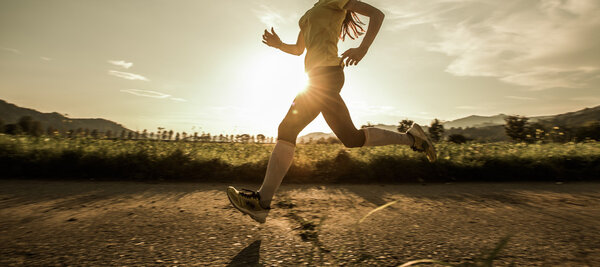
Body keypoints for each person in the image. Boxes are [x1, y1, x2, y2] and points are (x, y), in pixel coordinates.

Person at [227, 0, 436, 223]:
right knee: (351, 138)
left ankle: (262, 202)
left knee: (287, 128)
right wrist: (279, 45)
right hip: (315, 77)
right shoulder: (307, 15)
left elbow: (377, 14)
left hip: (327, 75)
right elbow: (298, 50)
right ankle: (412, 138)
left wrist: (362, 48)